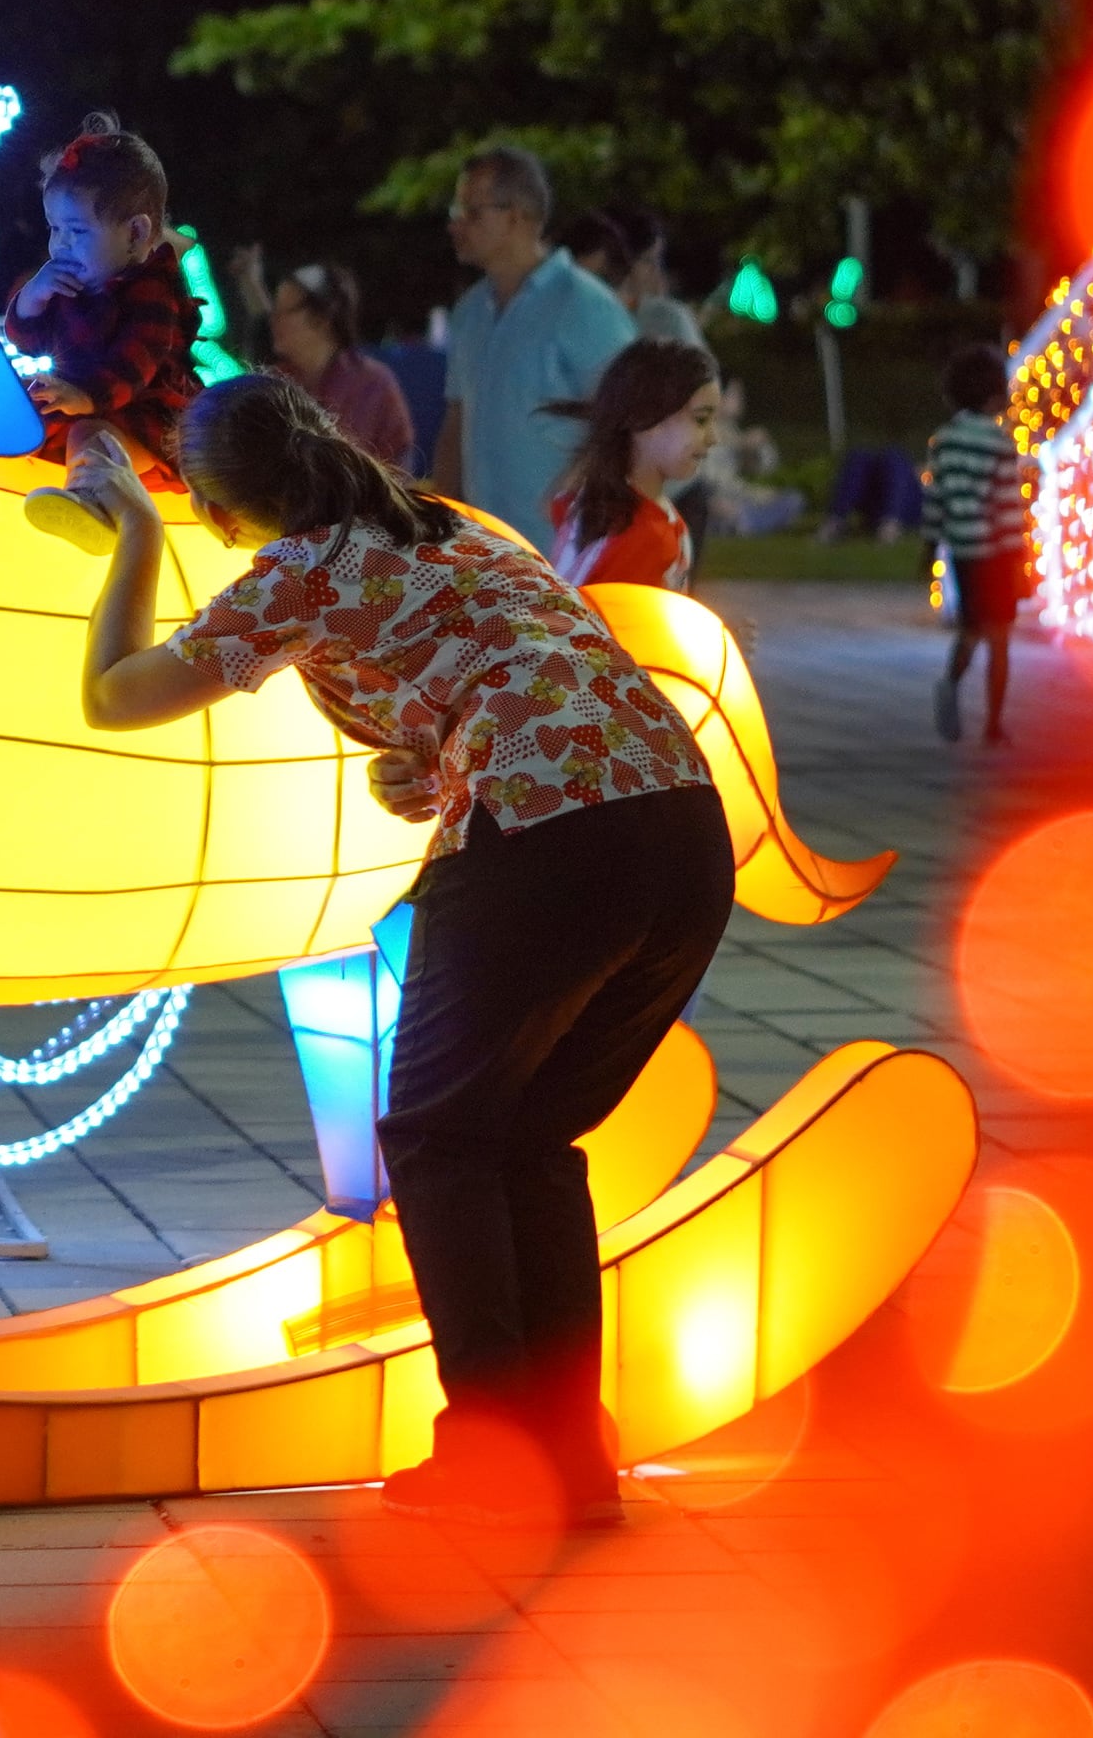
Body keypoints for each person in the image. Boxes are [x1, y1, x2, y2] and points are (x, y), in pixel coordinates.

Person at [70, 380, 725, 1526]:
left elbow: (118, 699)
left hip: (544, 835)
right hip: (677, 829)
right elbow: (510, 678)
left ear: (223, 512)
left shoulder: (297, 573)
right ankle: (568, 1465)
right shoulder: (445, 521)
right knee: (522, 1141)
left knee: (435, 1138)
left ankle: (495, 1459)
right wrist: (423, 762)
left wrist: (128, 529)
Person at [8, 117, 205, 552]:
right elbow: (28, 338)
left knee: (89, 436)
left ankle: (94, 504)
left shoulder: (153, 292)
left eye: (76, 232)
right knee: (22, 421)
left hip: (143, 418)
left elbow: (135, 365)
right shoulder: (74, 281)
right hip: (84, 403)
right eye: (54, 229)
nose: (60, 245)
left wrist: (86, 398)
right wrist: (33, 297)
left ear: (136, 233)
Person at [436, 147, 635, 558]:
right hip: (486, 555)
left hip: (564, 554)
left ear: (518, 216)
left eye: (472, 211)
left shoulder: (584, 306)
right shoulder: (471, 312)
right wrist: (439, 517)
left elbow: (630, 417)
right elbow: (458, 419)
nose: (456, 225)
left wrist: (570, 495)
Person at [539, 338, 722, 591]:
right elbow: (624, 626)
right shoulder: (643, 537)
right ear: (647, 419)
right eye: (701, 420)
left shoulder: (596, 504)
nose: (714, 438)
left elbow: (554, 505)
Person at [927, 344, 1034, 745]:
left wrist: (930, 545)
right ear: (994, 395)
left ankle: (951, 683)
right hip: (996, 554)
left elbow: (935, 499)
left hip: (963, 552)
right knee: (1001, 639)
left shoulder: (944, 440)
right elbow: (1006, 507)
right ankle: (993, 724)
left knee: (971, 630)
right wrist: (1018, 559)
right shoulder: (999, 442)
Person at [224, 247, 416, 470]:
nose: (274, 320)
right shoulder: (273, 385)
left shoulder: (373, 386)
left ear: (323, 318)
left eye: (285, 311)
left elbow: (398, 469)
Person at [560, 204, 708, 353]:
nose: (655, 273)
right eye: (647, 261)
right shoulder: (571, 315)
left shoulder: (667, 319)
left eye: (657, 262)